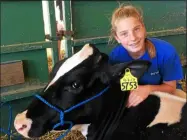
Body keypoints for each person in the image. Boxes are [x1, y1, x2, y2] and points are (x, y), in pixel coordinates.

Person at [108, 4, 186, 108]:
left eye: (136, 29)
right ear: (117, 37)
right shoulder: (116, 57)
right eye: (124, 34)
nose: (133, 38)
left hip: (166, 94)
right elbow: (125, 88)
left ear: (144, 28)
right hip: (136, 96)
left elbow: (171, 88)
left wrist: (147, 89)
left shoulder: (166, 51)